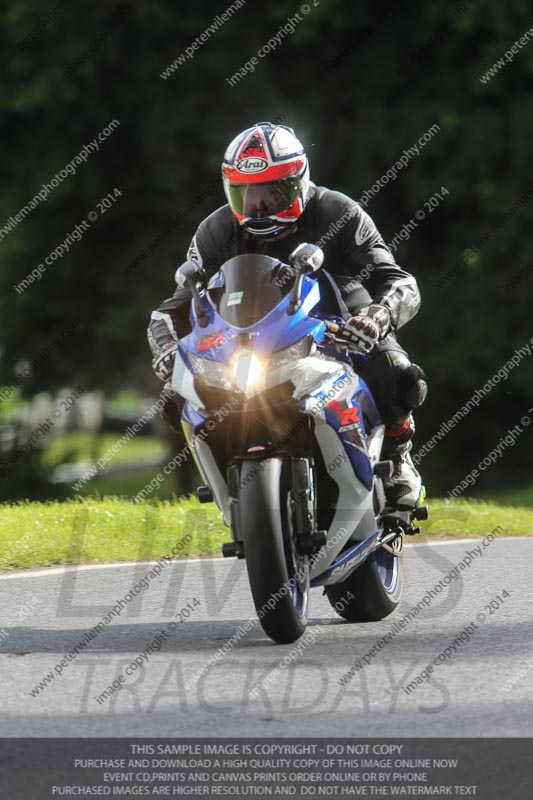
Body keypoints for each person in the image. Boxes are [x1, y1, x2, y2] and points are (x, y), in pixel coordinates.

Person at [148, 121, 427, 510]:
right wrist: (165, 348)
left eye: (272, 191)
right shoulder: (215, 230)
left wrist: (376, 318)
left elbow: (398, 281)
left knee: (398, 374)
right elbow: (174, 307)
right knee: (175, 397)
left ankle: (398, 456)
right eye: (245, 192)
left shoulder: (338, 211)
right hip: (253, 343)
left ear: (299, 181)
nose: (258, 204)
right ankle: (225, 477)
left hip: (341, 326)